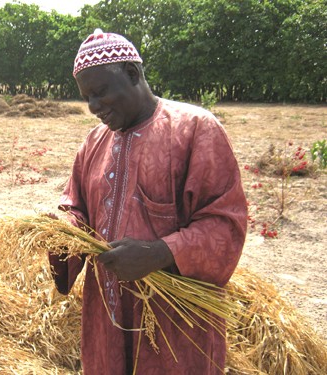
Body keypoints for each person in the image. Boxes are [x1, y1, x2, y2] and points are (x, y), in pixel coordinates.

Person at [49, 29, 248, 374]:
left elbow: (224, 223)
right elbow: (76, 207)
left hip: (174, 323)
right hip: (107, 316)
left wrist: (158, 253)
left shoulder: (195, 129)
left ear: (132, 74)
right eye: (86, 97)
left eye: (100, 92)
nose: (94, 107)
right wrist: (61, 231)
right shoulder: (94, 142)